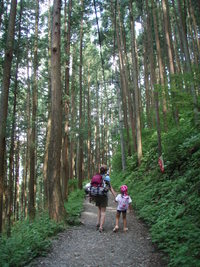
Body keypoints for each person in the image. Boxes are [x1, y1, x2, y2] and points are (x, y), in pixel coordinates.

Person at [92, 165, 116, 232]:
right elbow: (110, 187)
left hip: (97, 195)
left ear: (100, 170)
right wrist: (115, 196)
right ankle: (101, 227)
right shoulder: (107, 177)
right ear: (106, 171)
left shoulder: (97, 176)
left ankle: (98, 223)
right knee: (103, 211)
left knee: (99, 210)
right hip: (103, 196)